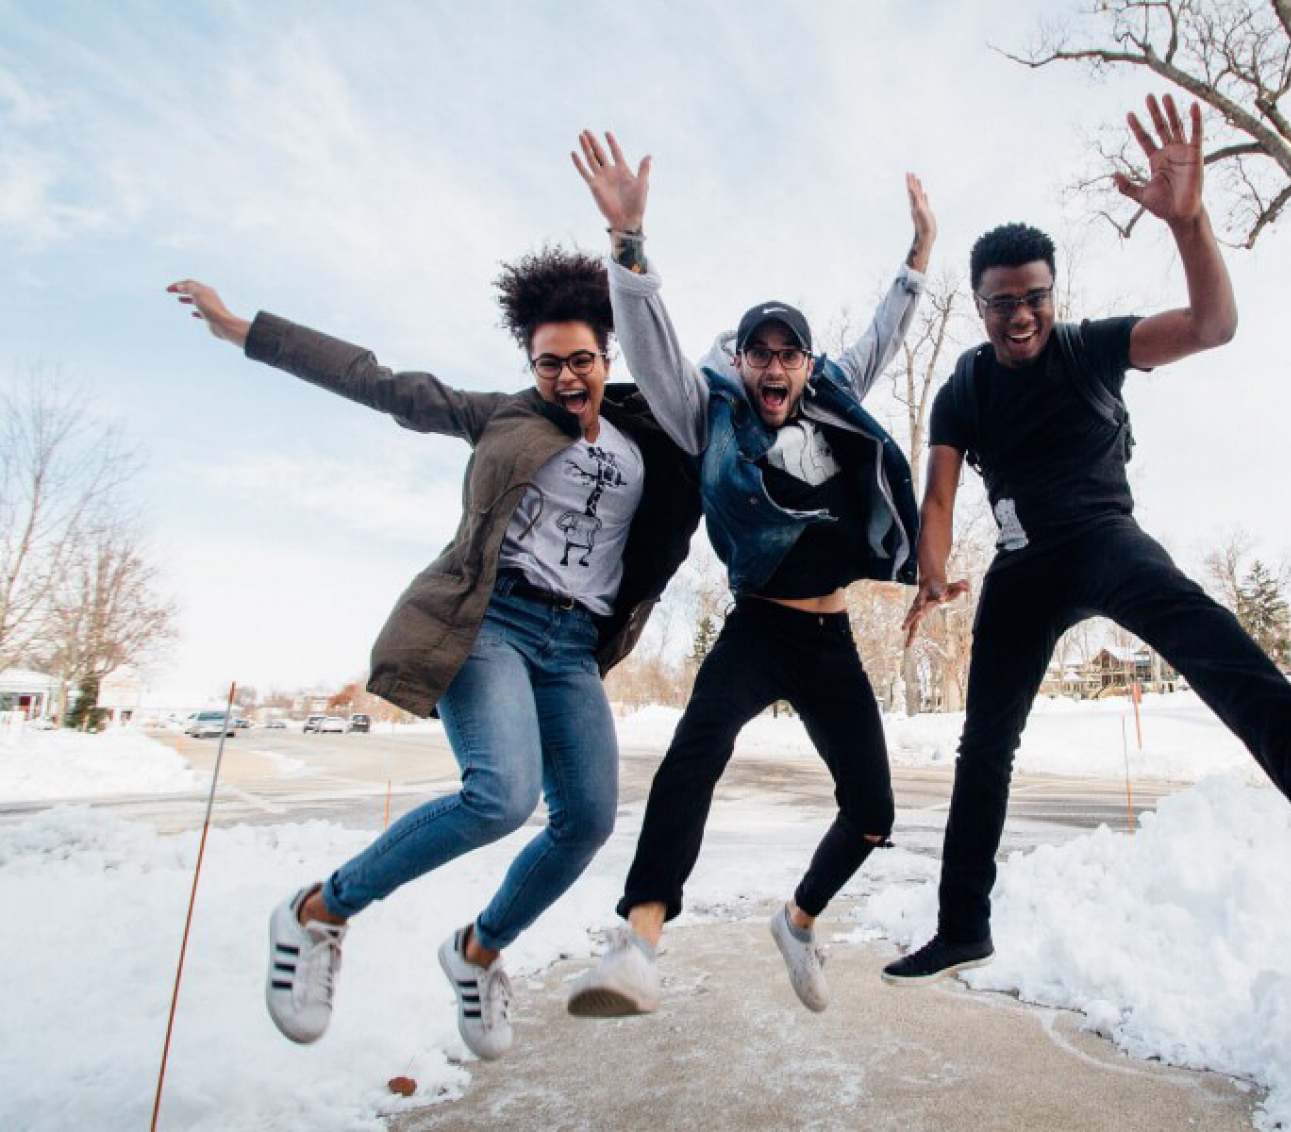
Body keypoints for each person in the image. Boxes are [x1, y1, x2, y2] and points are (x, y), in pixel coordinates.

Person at [882, 96, 1291, 986]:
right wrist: (933, 570)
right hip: (1022, 568)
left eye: (1034, 298)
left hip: (1103, 537)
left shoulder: (1091, 348)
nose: (1019, 317)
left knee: (1192, 620)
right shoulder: (965, 388)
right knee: (984, 745)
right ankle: (961, 926)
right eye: (1001, 304)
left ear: (1053, 293)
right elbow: (938, 493)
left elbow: (1213, 326)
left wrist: (1187, 223)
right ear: (977, 304)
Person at [166, 248, 700, 1057]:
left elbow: (711, 409)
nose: (565, 377)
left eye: (581, 361)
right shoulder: (503, 417)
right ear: (531, 367)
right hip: (488, 623)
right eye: (548, 363)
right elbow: (377, 381)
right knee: (500, 796)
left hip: (572, 647)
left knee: (588, 820)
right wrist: (246, 331)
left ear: (606, 357)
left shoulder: (646, 434)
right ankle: (319, 911)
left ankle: (477, 952)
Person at [561, 131, 934, 1015]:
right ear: (741, 363)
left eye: (787, 354)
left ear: (805, 364)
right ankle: (638, 943)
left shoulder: (834, 395)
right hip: (758, 627)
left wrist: (919, 253)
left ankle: (797, 922)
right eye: (759, 353)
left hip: (830, 636)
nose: (773, 367)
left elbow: (883, 336)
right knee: (693, 757)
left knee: (873, 811)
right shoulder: (710, 415)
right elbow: (652, 352)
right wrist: (628, 247)